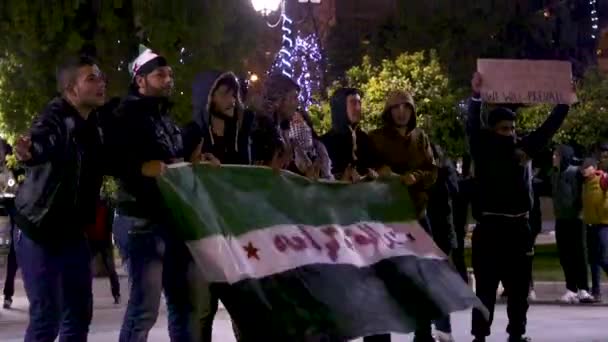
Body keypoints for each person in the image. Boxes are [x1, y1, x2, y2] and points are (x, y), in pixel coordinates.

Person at [111, 46, 206, 342]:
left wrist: (192, 164)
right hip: (140, 221)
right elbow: (113, 159)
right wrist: (141, 167)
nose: (168, 79)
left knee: (184, 305)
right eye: (160, 74)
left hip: (171, 219)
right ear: (140, 80)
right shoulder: (125, 113)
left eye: (170, 74)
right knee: (144, 310)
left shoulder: (166, 117)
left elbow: (170, 161)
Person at [467, 72, 571, 342]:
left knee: (519, 289)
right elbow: (471, 124)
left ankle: (517, 334)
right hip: (490, 229)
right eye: (504, 129)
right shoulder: (483, 149)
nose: (510, 134)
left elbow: (548, 129)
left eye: (513, 129)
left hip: (519, 230)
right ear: (492, 131)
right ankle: (480, 336)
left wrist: (565, 102)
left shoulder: (523, 150)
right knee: (486, 290)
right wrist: (476, 96)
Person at [12, 55, 106, 342]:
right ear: (71, 89)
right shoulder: (55, 117)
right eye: (91, 78)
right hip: (40, 230)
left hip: (72, 234)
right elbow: (44, 139)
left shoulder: (96, 125)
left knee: (78, 316)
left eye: (101, 77)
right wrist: (30, 151)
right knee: (46, 320)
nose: (101, 82)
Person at [183, 70, 253, 342]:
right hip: (203, 232)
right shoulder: (192, 132)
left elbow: (245, 175)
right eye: (224, 92)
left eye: (234, 93)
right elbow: (179, 172)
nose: (232, 99)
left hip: (235, 230)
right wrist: (195, 165)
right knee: (203, 310)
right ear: (208, 97)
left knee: (242, 309)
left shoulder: (240, 133)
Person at [366, 90, 438, 342]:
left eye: (405, 107)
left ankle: (424, 334)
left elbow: (432, 171)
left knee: (421, 279)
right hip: (385, 220)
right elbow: (365, 168)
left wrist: (416, 177)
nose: (401, 111)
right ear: (388, 111)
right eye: (395, 107)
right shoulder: (374, 138)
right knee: (381, 281)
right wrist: (379, 171)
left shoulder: (420, 138)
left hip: (417, 215)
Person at [552, 145, 593, 303]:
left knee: (579, 255)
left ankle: (583, 289)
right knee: (565, 255)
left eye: (556, 155)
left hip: (576, 219)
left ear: (564, 157)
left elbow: (589, 164)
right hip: (561, 219)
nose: (553, 158)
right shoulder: (554, 174)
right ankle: (571, 288)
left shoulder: (576, 171)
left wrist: (588, 166)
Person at [427, 143, 459, 342]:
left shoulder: (444, 176)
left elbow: (453, 195)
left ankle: (443, 329)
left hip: (440, 238)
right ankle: (430, 329)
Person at [321, 88, 378, 182]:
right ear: (340, 107)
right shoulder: (325, 143)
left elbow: (376, 168)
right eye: (353, 103)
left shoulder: (365, 140)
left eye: (359, 103)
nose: (358, 108)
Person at [250, 73, 300, 170]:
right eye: (294, 97)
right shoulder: (262, 129)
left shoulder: (285, 132)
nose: (297, 103)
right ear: (279, 99)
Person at [86, 193, 121, 305]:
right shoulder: (87, 207)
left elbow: (110, 225)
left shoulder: (106, 207)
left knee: (110, 269)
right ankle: (87, 296)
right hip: (92, 241)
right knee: (87, 270)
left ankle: (116, 293)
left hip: (103, 241)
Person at [581, 158, 608, 302]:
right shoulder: (585, 184)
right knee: (593, 260)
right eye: (583, 167)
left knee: (604, 258)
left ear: (594, 168)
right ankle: (596, 291)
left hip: (603, 225)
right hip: (590, 225)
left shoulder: (602, 180)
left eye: (587, 167)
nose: (583, 169)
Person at [288, 110, 333, 179]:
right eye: (292, 123)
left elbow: (327, 174)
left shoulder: (318, 147)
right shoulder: (288, 147)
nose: (294, 126)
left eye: (297, 122)